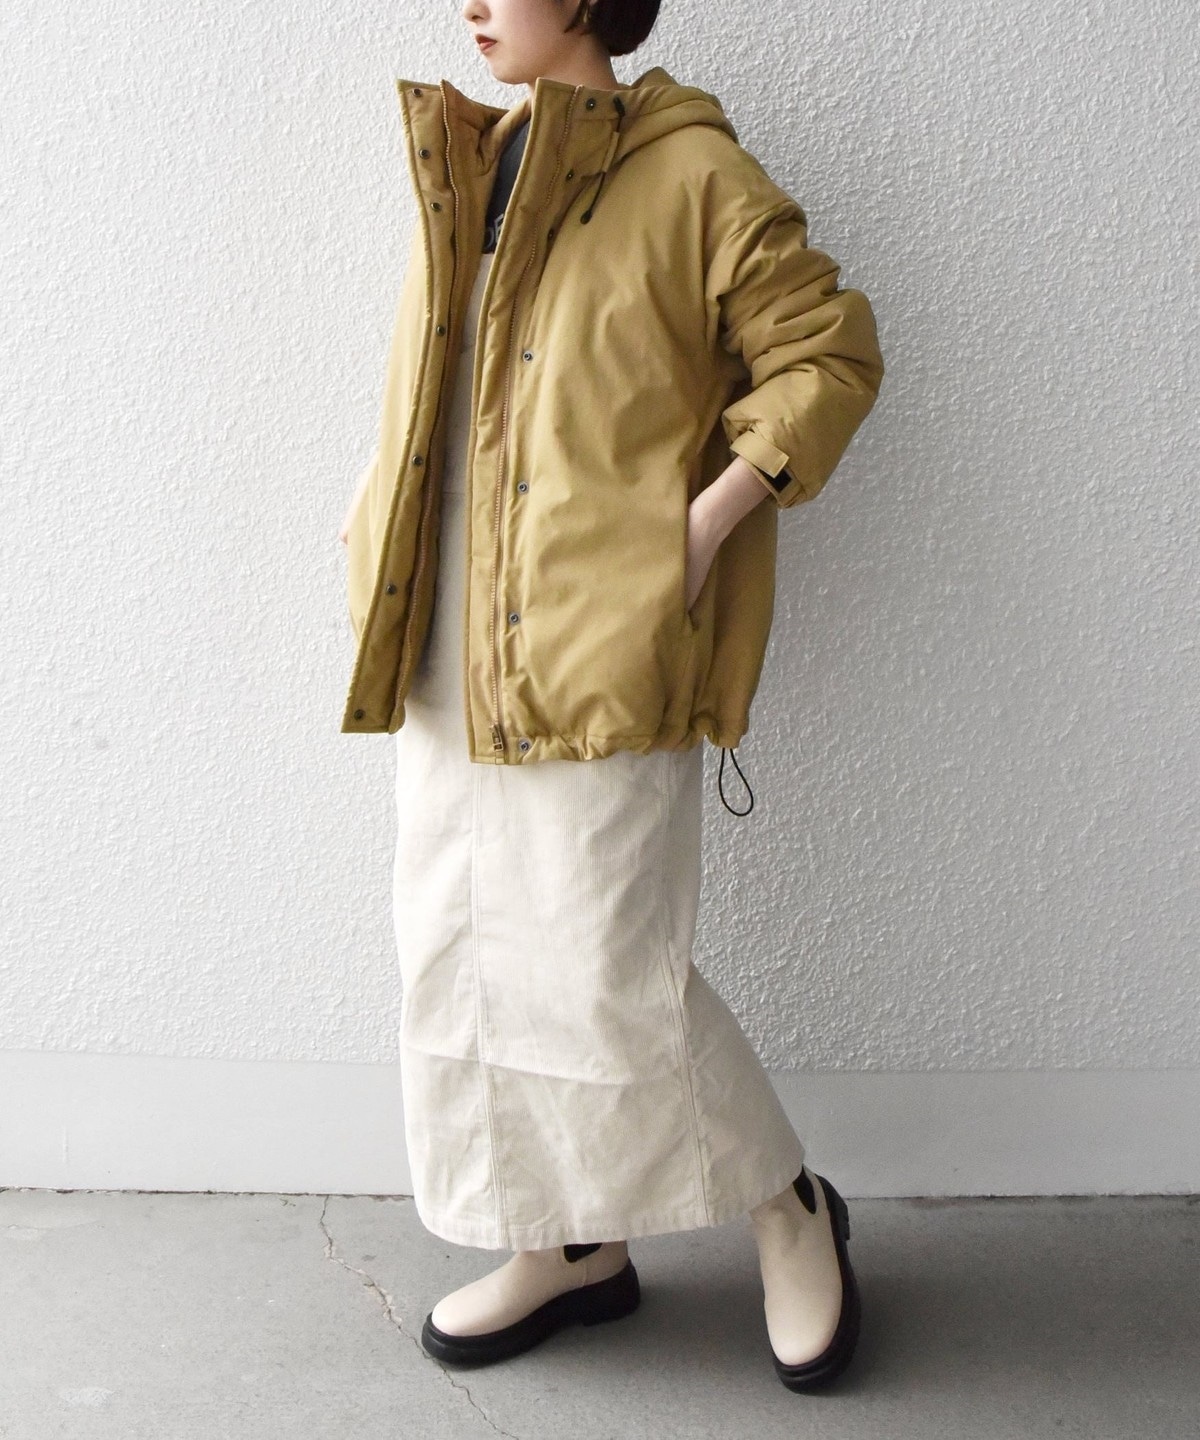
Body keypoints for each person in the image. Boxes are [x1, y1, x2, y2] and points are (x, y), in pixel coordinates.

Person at [338, 0, 884, 1394]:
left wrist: (694, 532)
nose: (470, 5)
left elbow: (827, 356)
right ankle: (568, 1245)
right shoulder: (473, 159)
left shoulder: (692, 171)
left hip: (597, 638)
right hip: (447, 641)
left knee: (599, 973)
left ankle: (787, 1205)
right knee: (469, 958)